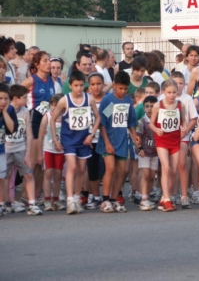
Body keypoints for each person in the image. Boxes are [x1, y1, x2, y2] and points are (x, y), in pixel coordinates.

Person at [50, 71, 101, 214]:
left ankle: (77, 197)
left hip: (84, 139)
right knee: (72, 167)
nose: (79, 88)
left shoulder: (89, 99)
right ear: (70, 86)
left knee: (81, 169)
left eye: (81, 85)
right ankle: (70, 200)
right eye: (76, 86)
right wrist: (55, 138)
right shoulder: (64, 101)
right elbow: (53, 119)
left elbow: (97, 118)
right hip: (69, 139)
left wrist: (91, 134)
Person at [95, 71, 138, 213]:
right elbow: (103, 124)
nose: (123, 91)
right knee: (111, 169)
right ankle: (105, 199)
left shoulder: (127, 101)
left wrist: (134, 135)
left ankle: (114, 199)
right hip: (109, 140)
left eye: (125, 89)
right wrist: (107, 142)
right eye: (120, 88)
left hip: (122, 140)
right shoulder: (109, 101)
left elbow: (130, 121)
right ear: (114, 86)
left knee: (122, 171)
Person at [22, 51, 55, 203]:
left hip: (47, 122)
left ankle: (37, 194)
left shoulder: (52, 80)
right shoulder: (31, 81)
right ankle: (25, 195)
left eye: (49, 60)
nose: (49, 63)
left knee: (43, 162)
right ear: (37, 64)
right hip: (34, 121)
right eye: (45, 61)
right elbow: (15, 95)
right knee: (35, 160)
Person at [149, 79, 187, 212]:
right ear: (163, 92)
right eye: (169, 92)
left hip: (175, 139)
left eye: (174, 92)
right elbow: (151, 124)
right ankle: (166, 199)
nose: (172, 95)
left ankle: (165, 197)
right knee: (166, 167)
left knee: (174, 170)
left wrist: (184, 128)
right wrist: (156, 130)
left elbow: (184, 122)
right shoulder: (158, 105)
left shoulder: (180, 105)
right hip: (162, 140)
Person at [4, 85, 41, 215]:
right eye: (25, 98)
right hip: (7, 148)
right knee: (5, 176)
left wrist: (28, 153)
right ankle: (7, 202)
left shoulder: (25, 111)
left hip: (21, 147)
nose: (27, 100)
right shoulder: (5, 110)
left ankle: (32, 204)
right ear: (15, 98)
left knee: (28, 174)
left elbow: (29, 134)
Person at [170, 71, 198, 209]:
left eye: (181, 83)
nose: (179, 86)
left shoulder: (187, 99)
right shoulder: (164, 98)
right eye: (176, 83)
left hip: (183, 136)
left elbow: (193, 119)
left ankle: (184, 195)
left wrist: (185, 131)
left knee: (181, 164)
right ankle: (171, 193)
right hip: (168, 137)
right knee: (170, 167)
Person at [37, 93, 65, 211]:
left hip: (60, 151)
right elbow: (40, 136)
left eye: (56, 105)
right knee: (48, 174)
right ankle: (47, 200)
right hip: (48, 149)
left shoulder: (65, 117)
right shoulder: (47, 117)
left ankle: (56, 199)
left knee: (58, 175)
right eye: (51, 105)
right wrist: (39, 153)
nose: (53, 108)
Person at [82, 73, 106, 210]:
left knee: (108, 169)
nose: (96, 87)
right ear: (89, 86)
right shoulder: (86, 101)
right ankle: (96, 196)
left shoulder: (107, 100)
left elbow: (105, 121)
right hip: (91, 139)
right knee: (92, 168)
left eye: (99, 84)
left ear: (103, 84)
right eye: (93, 84)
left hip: (105, 139)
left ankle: (109, 196)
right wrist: (88, 135)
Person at [136, 96, 158, 211]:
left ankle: (148, 197)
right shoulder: (142, 122)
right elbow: (137, 137)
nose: (149, 109)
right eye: (147, 106)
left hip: (155, 153)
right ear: (144, 108)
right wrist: (140, 149)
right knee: (145, 174)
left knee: (151, 176)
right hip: (144, 152)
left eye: (152, 106)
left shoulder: (159, 121)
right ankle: (143, 199)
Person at [0, 83, 18, 216]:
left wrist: (5, 112)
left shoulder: (10, 110)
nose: (3, 101)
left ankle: (1, 204)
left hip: (1, 148)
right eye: (0, 99)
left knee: (1, 178)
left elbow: (11, 129)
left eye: (6, 99)